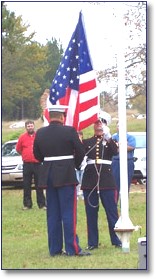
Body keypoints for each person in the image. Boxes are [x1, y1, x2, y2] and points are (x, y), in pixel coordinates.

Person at [33, 105, 91, 257]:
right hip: (65, 174)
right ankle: (73, 249)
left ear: (50, 116)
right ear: (61, 117)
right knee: (68, 213)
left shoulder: (40, 132)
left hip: (48, 175)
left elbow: (37, 154)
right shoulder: (69, 131)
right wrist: (75, 165)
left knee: (52, 213)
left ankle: (55, 249)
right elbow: (80, 151)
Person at [81, 118, 122, 250]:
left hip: (106, 180)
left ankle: (117, 240)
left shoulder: (110, 142)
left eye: (102, 122)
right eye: (97, 122)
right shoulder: (87, 142)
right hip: (90, 180)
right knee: (91, 213)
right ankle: (92, 242)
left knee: (111, 211)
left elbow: (115, 151)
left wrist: (108, 138)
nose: (99, 124)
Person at [16, 120, 46, 210]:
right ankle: (27, 205)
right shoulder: (22, 137)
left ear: (34, 126)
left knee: (39, 185)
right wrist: (25, 155)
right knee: (26, 184)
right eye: (28, 126)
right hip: (27, 164)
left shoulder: (39, 136)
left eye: (31, 126)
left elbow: (42, 148)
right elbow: (18, 149)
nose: (30, 127)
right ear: (26, 128)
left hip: (37, 163)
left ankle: (42, 204)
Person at [111, 122, 136, 201]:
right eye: (118, 126)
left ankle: (124, 205)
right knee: (115, 184)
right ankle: (114, 204)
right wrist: (124, 145)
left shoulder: (130, 137)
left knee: (126, 183)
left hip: (128, 161)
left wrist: (119, 146)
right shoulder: (113, 137)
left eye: (121, 126)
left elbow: (131, 147)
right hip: (116, 162)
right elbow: (112, 149)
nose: (119, 127)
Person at [76, 131, 85, 200]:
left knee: (82, 180)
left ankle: (82, 194)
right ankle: (76, 194)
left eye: (80, 135)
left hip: (83, 164)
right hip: (76, 165)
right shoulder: (75, 145)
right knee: (77, 180)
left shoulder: (84, 144)